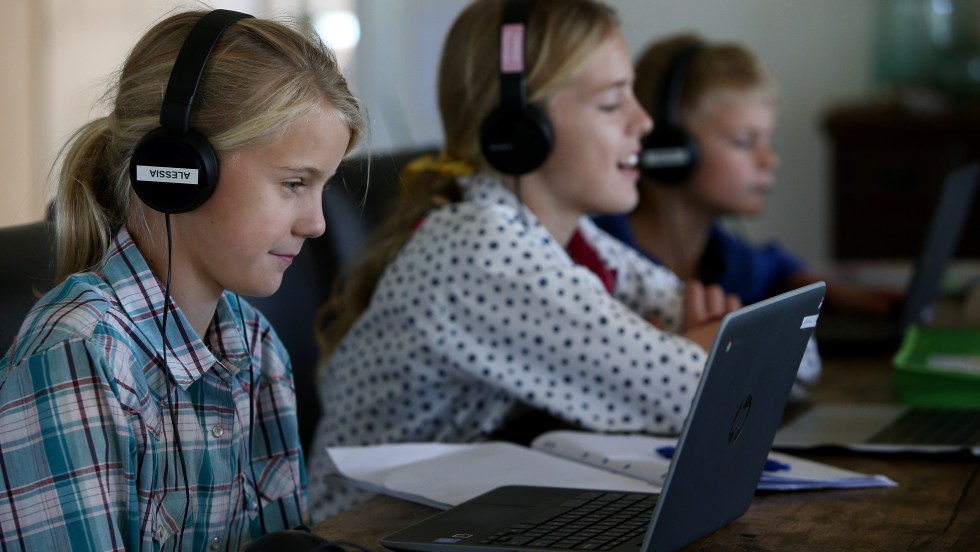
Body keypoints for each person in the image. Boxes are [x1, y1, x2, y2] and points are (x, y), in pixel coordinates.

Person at [307, 0, 818, 520]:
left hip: (459, 521)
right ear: (522, 128)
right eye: (612, 103)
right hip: (362, 534)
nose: (643, 122)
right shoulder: (481, 252)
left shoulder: (575, 243)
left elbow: (795, 360)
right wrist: (701, 349)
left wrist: (708, 350)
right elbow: (712, 400)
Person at [0, 9, 361, 550]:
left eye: (321, 186)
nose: (316, 223)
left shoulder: (257, 351)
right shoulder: (78, 359)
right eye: (293, 183)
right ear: (180, 171)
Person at [594, 33, 903, 313]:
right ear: (671, 150)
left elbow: (775, 267)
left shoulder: (723, 256)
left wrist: (833, 293)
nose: (770, 160)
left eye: (768, 140)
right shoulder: (599, 259)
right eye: (744, 141)